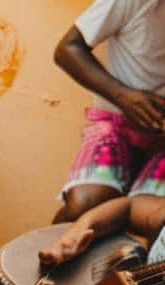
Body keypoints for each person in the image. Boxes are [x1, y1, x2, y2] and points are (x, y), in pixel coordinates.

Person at [53, 0, 165, 222]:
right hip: (115, 124)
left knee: (151, 219)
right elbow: (67, 49)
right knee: (84, 206)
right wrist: (125, 97)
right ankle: (46, 248)